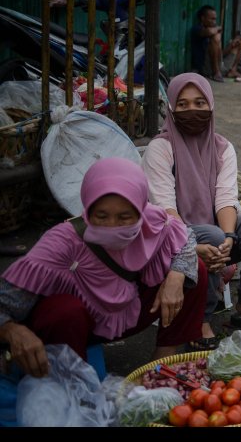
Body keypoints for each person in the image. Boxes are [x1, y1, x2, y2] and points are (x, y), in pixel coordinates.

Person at [0, 158, 208, 377]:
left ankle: (163, 362)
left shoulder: (152, 219)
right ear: (88, 209)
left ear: (140, 209)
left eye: (125, 217)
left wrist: (176, 277)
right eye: (101, 216)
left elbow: (185, 238)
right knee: (64, 310)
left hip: (125, 313)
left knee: (195, 271)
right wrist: (13, 331)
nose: (112, 226)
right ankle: (70, 379)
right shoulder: (62, 243)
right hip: (72, 329)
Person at [142, 73, 241, 349]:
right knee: (210, 234)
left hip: (216, 234)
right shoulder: (160, 148)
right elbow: (166, 209)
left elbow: (226, 197)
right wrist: (198, 241)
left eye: (200, 103)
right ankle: (201, 317)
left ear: (211, 106)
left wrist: (230, 237)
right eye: (183, 104)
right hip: (172, 237)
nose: (192, 110)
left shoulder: (223, 147)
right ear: (171, 109)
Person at [191, 5, 241, 82]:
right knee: (216, 36)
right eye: (212, 19)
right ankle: (215, 73)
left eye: (215, 19)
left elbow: (220, 54)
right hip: (206, 69)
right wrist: (218, 28)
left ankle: (233, 70)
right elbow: (210, 32)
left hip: (220, 65)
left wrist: (231, 46)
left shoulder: (214, 30)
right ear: (203, 18)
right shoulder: (197, 29)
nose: (214, 22)